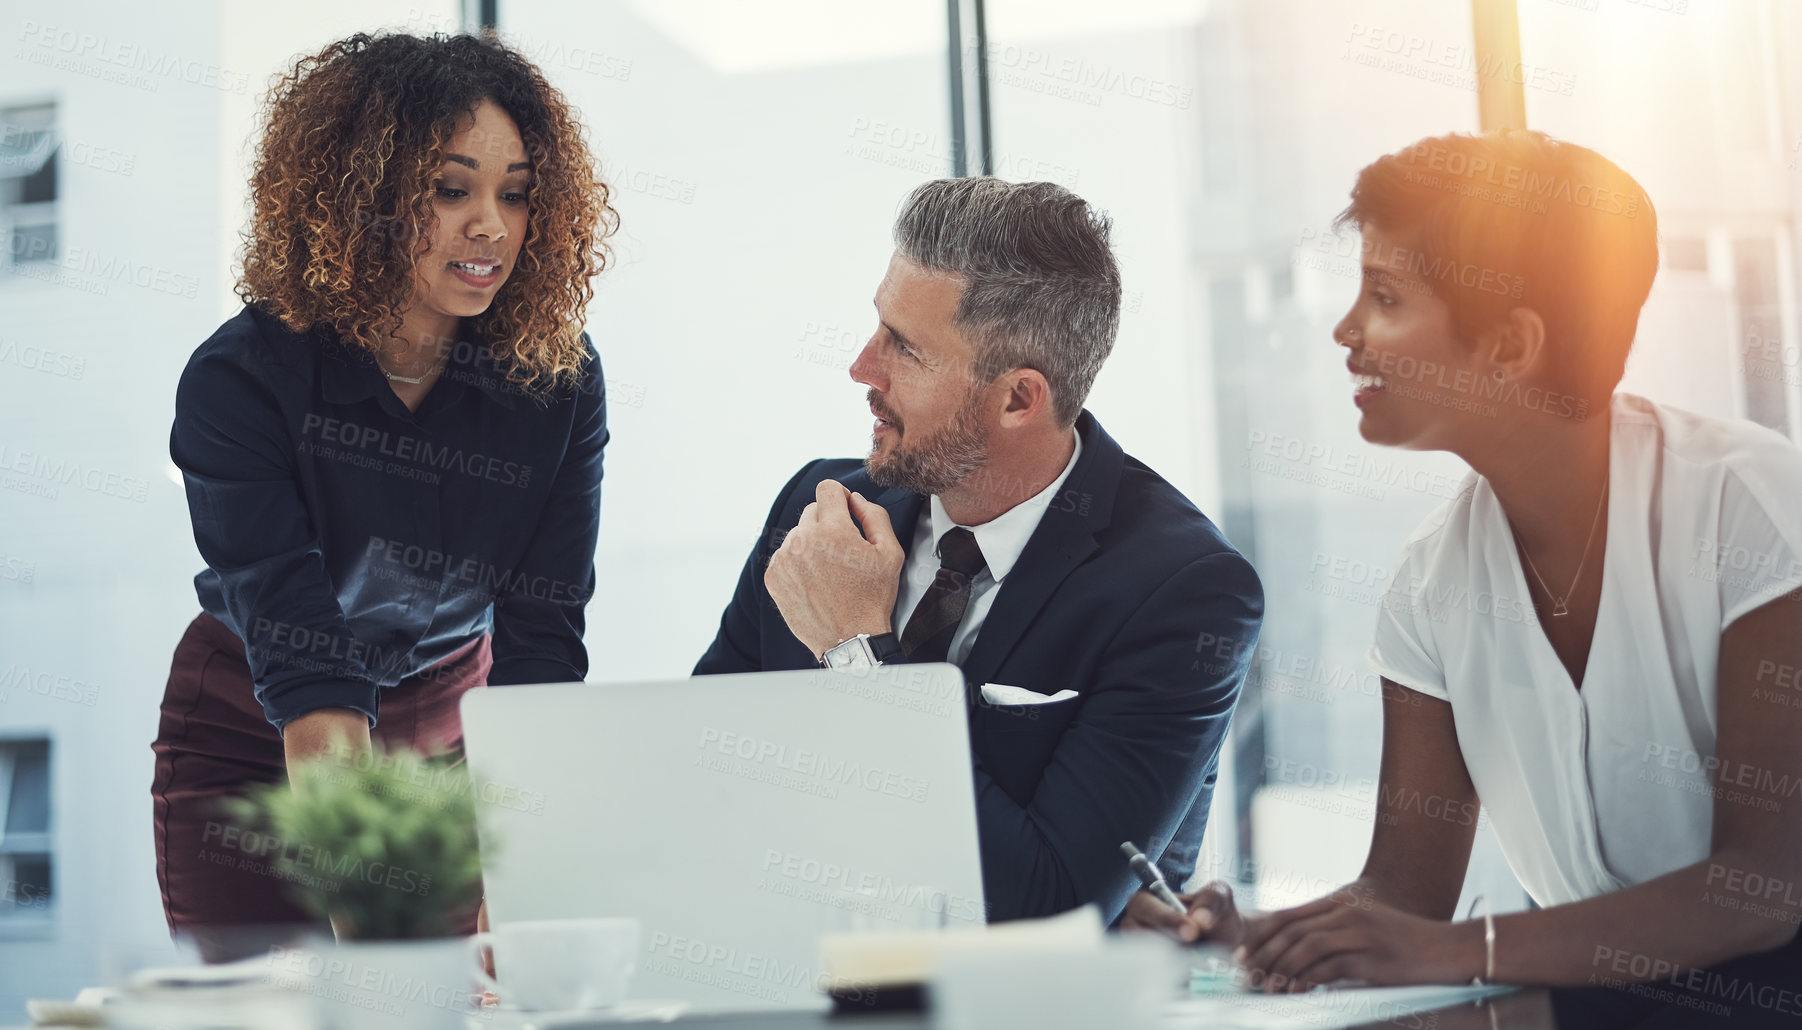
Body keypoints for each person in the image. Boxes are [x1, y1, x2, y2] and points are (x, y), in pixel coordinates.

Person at [1142, 130, 1802, 1030]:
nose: (1344, 331)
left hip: (1770, 986)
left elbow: (1765, 889)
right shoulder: (1429, 584)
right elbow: (1401, 898)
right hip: (1615, 999)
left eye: (1385, 298)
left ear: (1507, 345)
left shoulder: (1748, 503)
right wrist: (1270, 942)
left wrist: (1461, 951)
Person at [153, 30, 616, 955]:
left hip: (452, 745)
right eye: (452, 190)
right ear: (359, 202)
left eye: (515, 193)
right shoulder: (239, 381)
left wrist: (521, 870)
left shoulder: (556, 380)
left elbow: (540, 648)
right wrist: (374, 951)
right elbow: (309, 663)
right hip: (257, 740)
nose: (491, 224)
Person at [694, 177, 1265, 925]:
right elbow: (706, 784)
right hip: (787, 997)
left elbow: (1051, 902)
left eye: (904, 348)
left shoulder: (1185, 591)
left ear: (1019, 399)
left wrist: (856, 653)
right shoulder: (821, 511)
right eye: (878, 327)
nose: (863, 368)